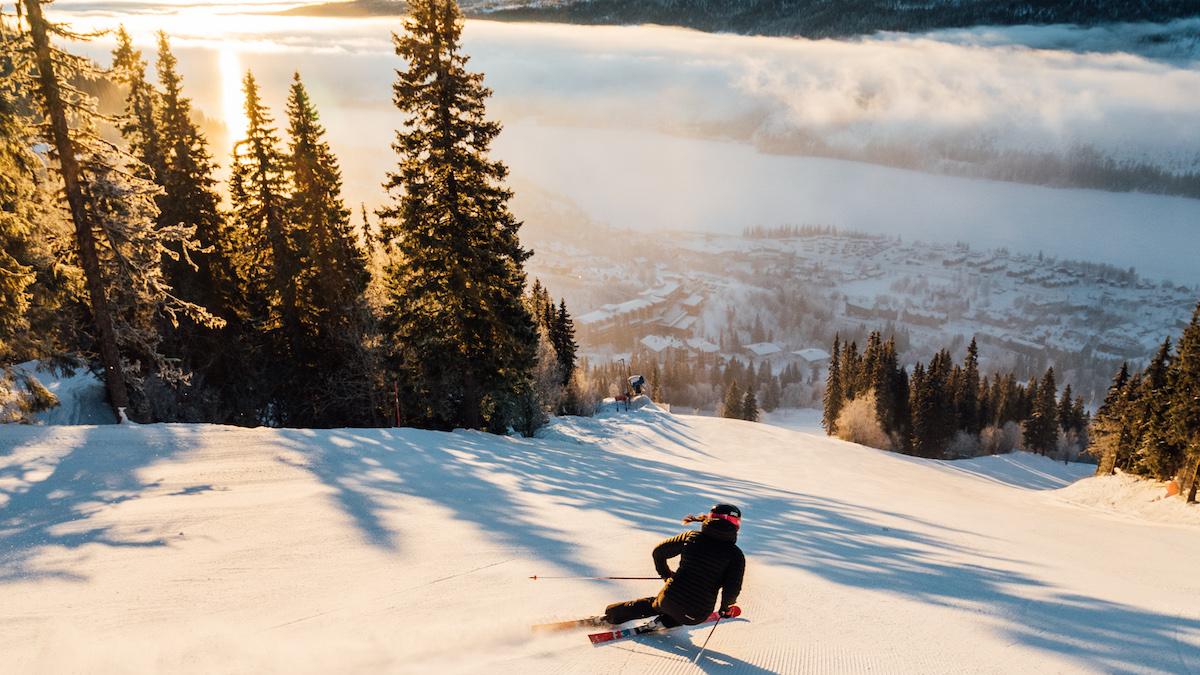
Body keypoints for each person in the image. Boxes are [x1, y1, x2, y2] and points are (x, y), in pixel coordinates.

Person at [603, 503, 745, 628]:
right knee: (681, 612)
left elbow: (658, 552)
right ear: (736, 525)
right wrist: (725, 608)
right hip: (697, 615)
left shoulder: (691, 537)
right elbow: (732, 590)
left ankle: (610, 616)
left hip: (668, 601)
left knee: (654, 605)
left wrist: (665, 574)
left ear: (710, 518)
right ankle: (666, 622)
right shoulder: (736, 556)